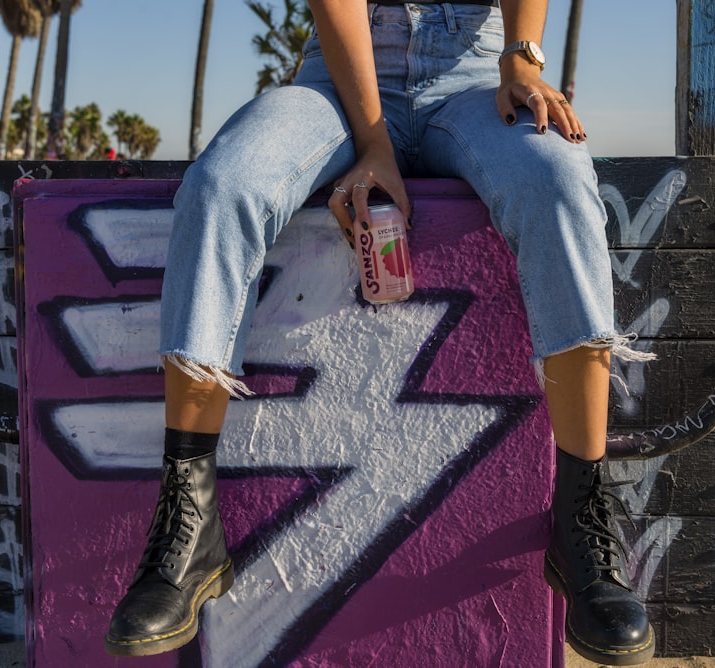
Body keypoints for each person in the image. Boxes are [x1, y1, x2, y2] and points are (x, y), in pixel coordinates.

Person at [103, 1, 655, 665]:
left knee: (559, 184)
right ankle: (189, 523)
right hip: (337, 85)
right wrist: (374, 142)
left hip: (475, 80)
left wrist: (521, 56)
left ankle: (581, 514)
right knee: (223, 185)